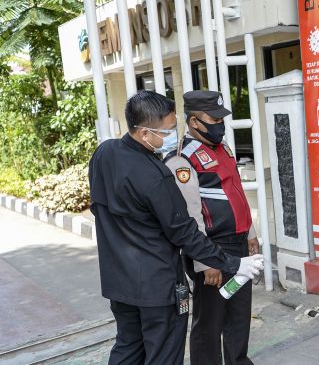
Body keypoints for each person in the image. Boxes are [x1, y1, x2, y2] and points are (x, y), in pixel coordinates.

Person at [88, 90, 264, 365]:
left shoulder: (104, 153)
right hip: (157, 285)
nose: (172, 135)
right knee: (165, 355)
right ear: (145, 133)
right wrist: (231, 263)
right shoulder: (158, 175)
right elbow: (184, 230)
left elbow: (99, 206)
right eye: (168, 130)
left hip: (118, 280)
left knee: (128, 348)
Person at [163, 90, 259, 365]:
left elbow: (236, 192)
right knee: (210, 322)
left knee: (239, 315)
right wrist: (205, 261)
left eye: (221, 117)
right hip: (212, 250)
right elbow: (191, 215)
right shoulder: (182, 159)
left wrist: (250, 233)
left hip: (239, 245)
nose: (220, 123)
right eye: (213, 118)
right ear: (194, 122)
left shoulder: (223, 149)